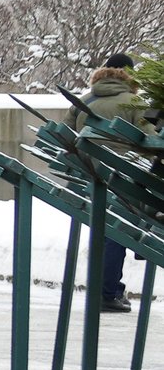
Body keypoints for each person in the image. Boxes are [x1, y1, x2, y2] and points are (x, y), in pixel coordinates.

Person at [68, 52, 155, 313]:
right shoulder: (134, 102)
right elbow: (151, 140)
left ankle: (108, 289)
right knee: (117, 234)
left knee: (105, 233)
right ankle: (107, 292)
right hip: (122, 178)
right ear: (130, 74)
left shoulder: (85, 101)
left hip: (89, 176)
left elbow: (66, 136)